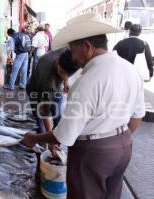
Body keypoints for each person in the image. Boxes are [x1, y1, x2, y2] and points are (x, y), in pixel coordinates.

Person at [21, 13, 145, 199]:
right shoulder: (129, 68)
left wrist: (34, 137)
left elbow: (64, 135)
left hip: (93, 154)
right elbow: (137, 117)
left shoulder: (88, 80)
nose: (73, 58)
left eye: (73, 50)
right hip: (124, 146)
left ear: (87, 46)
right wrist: (117, 139)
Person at [26, 49, 80, 153]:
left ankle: (55, 139)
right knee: (40, 121)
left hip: (56, 89)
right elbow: (45, 113)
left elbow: (66, 72)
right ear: (57, 60)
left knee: (58, 115)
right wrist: (51, 141)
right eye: (61, 73)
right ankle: (42, 147)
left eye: (67, 75)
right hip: (36, 91)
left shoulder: (66, 53)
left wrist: (65, 80)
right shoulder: (47, 80)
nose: (63, 76)